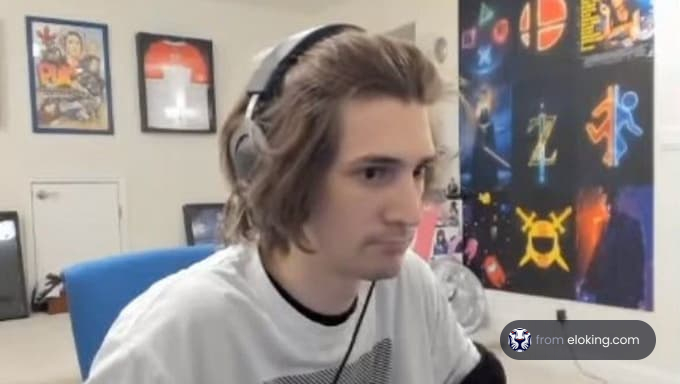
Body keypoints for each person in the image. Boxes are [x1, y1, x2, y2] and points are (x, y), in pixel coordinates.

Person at [86, 24, 505, 383]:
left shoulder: (410, 286)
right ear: (275, 173)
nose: (411, 213)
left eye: (417, 171)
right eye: (372, 174)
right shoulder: (163, 347)